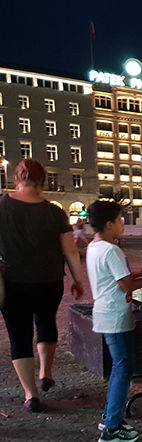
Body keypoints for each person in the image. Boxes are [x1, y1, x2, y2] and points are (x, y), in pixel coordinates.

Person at [0, 159, 84, 412]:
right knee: (46, 323)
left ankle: (30, 394)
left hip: (12, 283)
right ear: (44, 182)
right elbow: (70, 251)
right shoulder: (55, 212)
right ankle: (45, 372)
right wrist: (77, 279)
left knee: (19, 336)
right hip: (49, 281)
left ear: (16, 179)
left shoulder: (1, 206)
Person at [87, 201, 142, 442]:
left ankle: (111, 416)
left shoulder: (94, 247)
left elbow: (116, 277)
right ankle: (111, 429)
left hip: (105, 313)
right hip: (115, 317)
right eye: (120, 220)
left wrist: (141, 271)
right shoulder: (111, 250)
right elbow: (126, 286)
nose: (123, 225)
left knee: (119, 368)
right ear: (109, 224)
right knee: (124, 369)